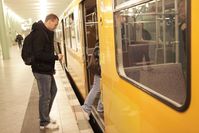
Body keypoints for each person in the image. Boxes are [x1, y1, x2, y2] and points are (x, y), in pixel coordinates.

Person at [31, 14, 63, 129]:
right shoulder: (40, 33)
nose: (55, 27)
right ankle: (44, 122)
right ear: (50, 21)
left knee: (53, 91)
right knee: (45, 96)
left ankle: (45, 117)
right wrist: (55, 57)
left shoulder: (45, 32)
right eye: (55, 24)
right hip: (41, 70)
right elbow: (38, 54)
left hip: (45, 69)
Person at [82, 40, 103, 120]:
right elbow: (98, 54)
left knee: (103, 89)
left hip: (102, 70)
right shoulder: (100, 43)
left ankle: (100, 107)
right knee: (96, 89)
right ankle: (86, 108)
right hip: (100, 70)